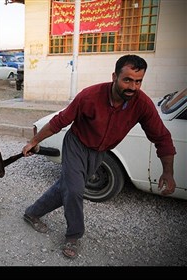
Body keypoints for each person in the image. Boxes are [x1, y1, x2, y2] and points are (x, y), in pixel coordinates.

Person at [21, 54, 176, 259]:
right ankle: (74, 235)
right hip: (76, 144)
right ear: (114, 76)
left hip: (99, 152)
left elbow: (162, 137)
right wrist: (34, 141)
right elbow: (60, 121)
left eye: (138, 81)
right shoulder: (90, 96)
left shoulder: (142, 104)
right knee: (75, 189)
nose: (133, 87)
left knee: (67, 186)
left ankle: (32, 213)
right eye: (127, 79)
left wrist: (168, 172)